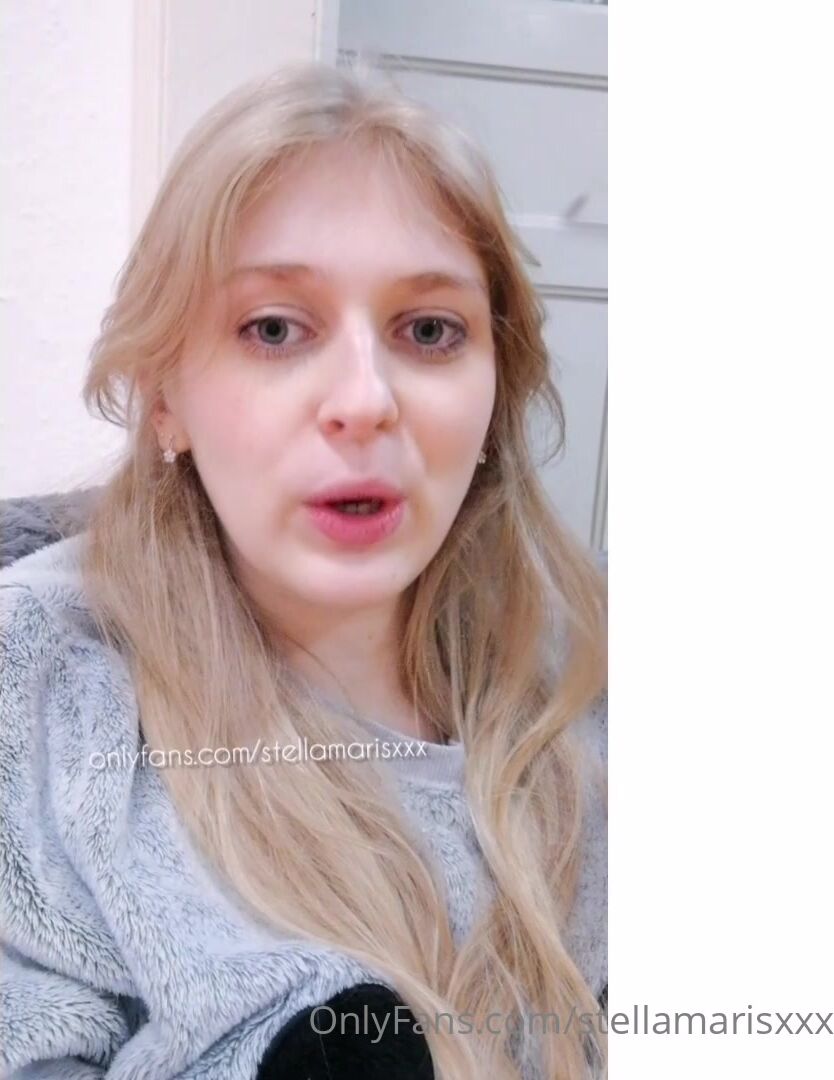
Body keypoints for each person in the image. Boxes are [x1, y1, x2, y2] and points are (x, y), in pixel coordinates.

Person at [0, 59, 607, 1079]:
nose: (365, 401)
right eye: (275, 329)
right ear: (165, 398)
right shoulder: (46, 696)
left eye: (429, 331)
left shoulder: (593, 692)